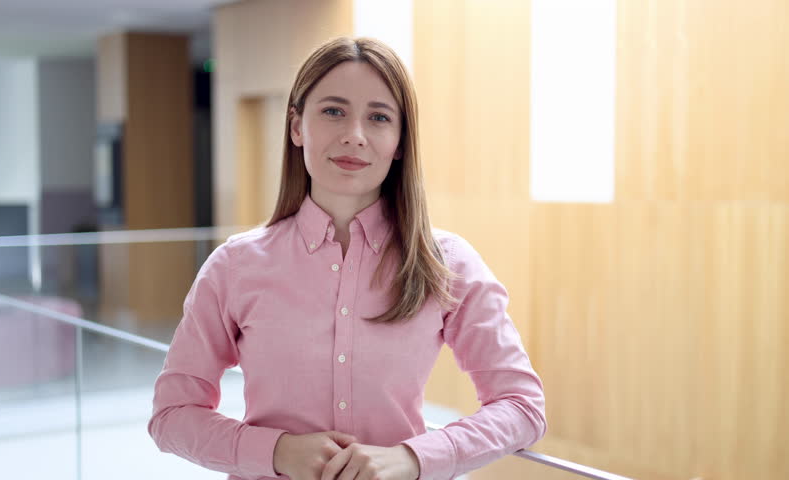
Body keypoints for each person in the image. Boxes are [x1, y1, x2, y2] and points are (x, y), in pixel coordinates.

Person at [147, 36, 546, 480]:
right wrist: (277, 452)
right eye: (333, 111)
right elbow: (172, 416)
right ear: (297, 127)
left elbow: (522, 406)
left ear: (399, 142)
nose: (354, 135)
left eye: (378, 117)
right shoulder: (234, 267)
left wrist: (414, 458)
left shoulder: (448, 263)